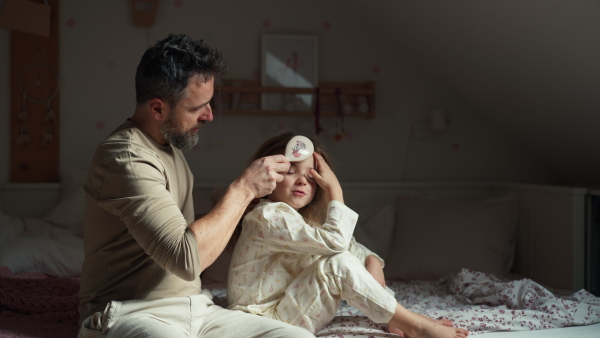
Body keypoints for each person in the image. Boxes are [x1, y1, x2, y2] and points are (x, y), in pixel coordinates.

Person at [77, 34, 314, 338]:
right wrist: (243, 189)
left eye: (209, 103)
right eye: (197, 107)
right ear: (158, 109)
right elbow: (187, 259)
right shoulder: (125, 158)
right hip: (132, 312)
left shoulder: (169, 147)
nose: (210, 115)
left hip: (197, 309)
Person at [227, 132, 470, 338]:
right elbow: (336, 244)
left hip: (284, 312)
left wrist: (372, 260)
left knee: (340, 259)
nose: (302, 180)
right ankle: (414, 325)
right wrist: (335, 189)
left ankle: (400, 318)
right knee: (335, 264)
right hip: (259, 323)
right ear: (269, 175)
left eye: (312, 176)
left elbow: (351, 248)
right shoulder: (267, 216)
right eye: (291, 170)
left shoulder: (305, 223)